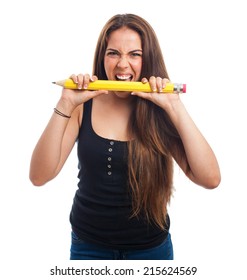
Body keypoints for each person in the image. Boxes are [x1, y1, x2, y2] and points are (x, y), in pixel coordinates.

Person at [29, 14, 221, 260]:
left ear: (148, 58)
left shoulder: (162, 109)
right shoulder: (82, 104)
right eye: (113, 53)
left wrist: (174, 107)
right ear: (102, 56)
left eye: (134, 54)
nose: (122, 65)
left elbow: (210, 178)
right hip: (88, 247)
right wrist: (65, 103)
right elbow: (38, 176)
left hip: (151, 250)